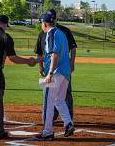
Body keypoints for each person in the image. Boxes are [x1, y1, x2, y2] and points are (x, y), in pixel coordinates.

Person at [34, 12, 75, 140]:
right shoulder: (61, 33)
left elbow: (54, 54)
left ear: (44, 24)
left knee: (48, 102)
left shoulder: (50, 33)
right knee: (59, 100)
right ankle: (68, 123)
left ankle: (47, 132)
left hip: (55, 73)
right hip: (65, 73)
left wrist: (50, 73)